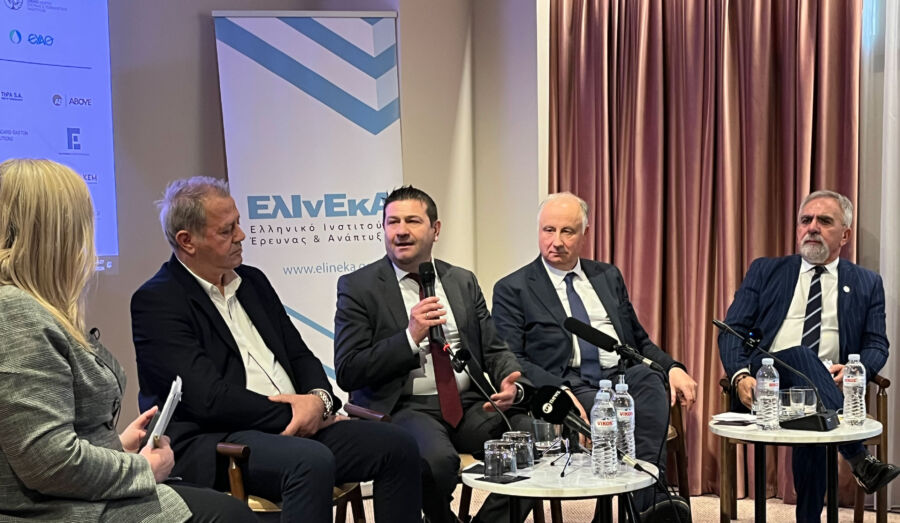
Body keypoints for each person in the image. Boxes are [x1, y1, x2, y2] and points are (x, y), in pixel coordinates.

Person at [131, 176, 422, 523]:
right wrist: (297, 414)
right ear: (187, 241)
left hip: (293, 427)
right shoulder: (157, 301)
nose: (241, 235)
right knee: (309, 462)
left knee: (398, 445)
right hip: (220, 439)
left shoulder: (252, 281)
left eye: (238, 223)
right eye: (227, 230)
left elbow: (299, 355)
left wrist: (319, 401)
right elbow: (209, 398)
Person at [0, 159, 255, 522]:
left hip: (77, 497)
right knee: (229, 515)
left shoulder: (31, 307)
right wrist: (142, 468)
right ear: (59, 233)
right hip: (59, 510)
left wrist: (115, 445)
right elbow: (48, 464)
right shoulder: (15, 313)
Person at [333, 186, 533, 523]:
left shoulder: (461, 281)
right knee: (436, 462)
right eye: (392, 222)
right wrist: (409, 337)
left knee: (532, 440)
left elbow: (494, 347)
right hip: (404, 407)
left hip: (469, 403)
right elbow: (348, 369)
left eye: (412, 221)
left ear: (435, 229)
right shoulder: (358, 286)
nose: (400, 231)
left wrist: (509, 380)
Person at [491, 192, 698, 516]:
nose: (556, 241)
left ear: (585, 234)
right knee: (616, 417)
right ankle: (644, 509)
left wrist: (671, 367)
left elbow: (638, 341)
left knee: (650, 379)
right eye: (548, 230)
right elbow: (512, 357)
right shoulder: (513, 288)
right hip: (570, 384)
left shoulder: (607, 276)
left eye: (567, 231)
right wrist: (558, 389)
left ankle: (647, 504)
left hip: (620, 377)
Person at [718, 190, 899, 522]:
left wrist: (855, 370)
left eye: (824, 221)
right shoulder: (766, 270)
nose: (812, 227)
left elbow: (877, 344)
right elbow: (732, 330)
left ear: (845, 235)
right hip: (768, 382)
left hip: (828, 387)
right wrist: (740, 375)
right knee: (803, 356)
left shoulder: (866, 282)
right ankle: (859, 459)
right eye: (806, 220)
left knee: (817, 414)